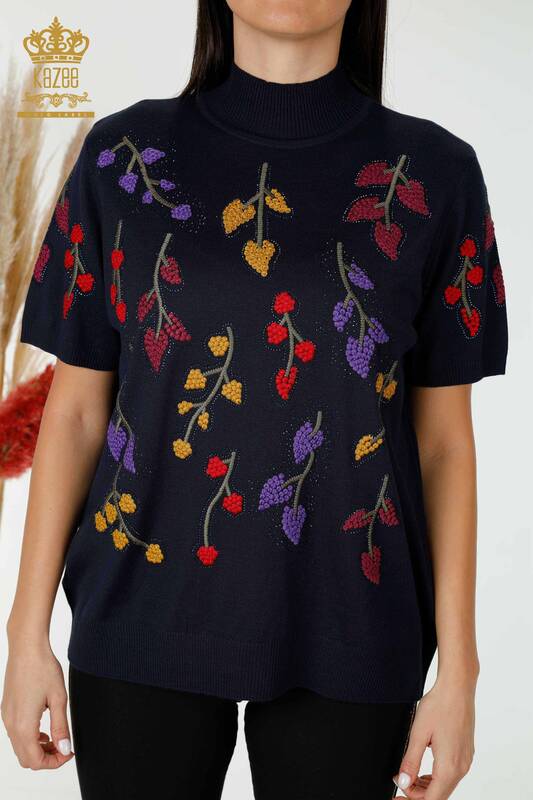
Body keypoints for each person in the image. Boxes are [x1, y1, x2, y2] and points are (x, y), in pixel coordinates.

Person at [1, 1, 508, 798]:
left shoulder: (435, 173)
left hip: (356, 616)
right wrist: (25, 634)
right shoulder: (122, 157)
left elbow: (443, 442)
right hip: (141, 606)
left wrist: (459, 672)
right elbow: (74, 412)